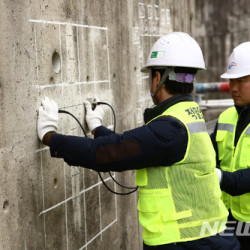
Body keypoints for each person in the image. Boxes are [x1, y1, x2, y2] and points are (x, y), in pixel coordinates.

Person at [37, 32, 239, 249]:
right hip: (206, 238)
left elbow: (106, 153)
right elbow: (134, 147)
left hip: (190, 242)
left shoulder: (170, 128)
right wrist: (96, 128)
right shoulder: (187, 117)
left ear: (157, 78)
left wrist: (50, 136)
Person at [211, 41, 250, 250]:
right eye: (232, 80)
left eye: (241, 80)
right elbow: (207, 153)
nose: (233, 88)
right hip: (228, 221)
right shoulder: (226, 117)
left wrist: (220, 177)